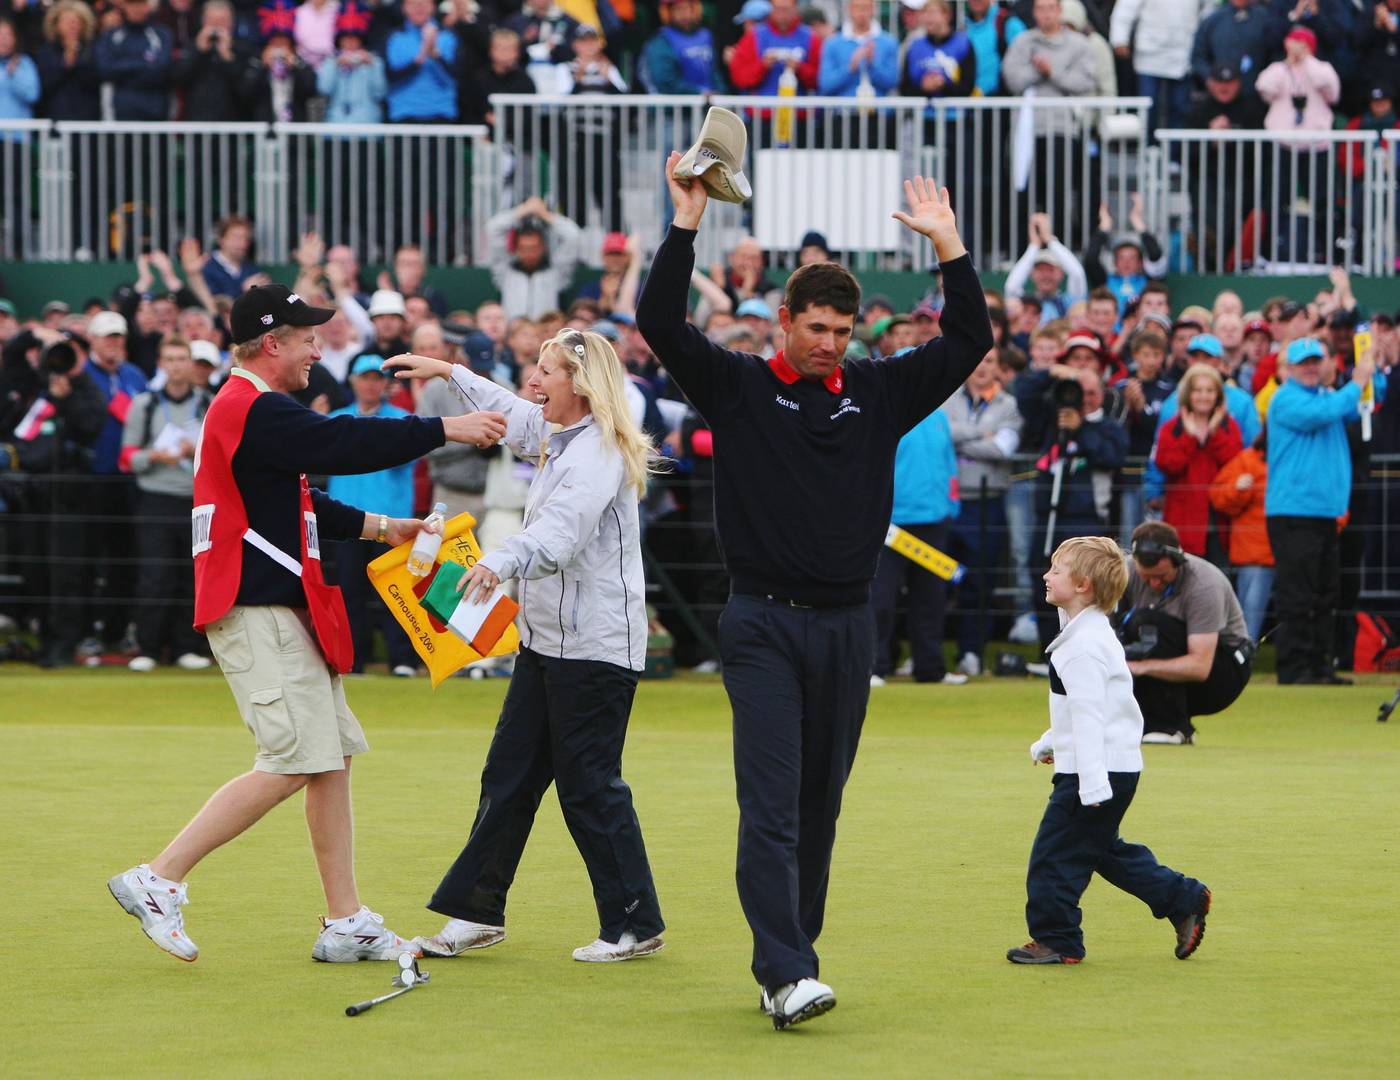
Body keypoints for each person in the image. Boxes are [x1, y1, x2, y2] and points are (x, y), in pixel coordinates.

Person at [637, 160, 992, 1028]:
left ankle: (789, 962)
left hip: (847, 627)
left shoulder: (879, 390)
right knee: (770, 808)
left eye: (841, 329)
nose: (829, 342)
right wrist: (686, 222)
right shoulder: (740, 385)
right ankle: (788, 968)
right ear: (784, 322)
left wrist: (950, 248)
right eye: (816, 328)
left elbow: (969, 340)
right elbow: (659, 322)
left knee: (818, 808)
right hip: (760, 625)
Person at [107, 284, 505, 964]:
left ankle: (345, 920)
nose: (317, 350)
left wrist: (385, 527)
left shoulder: (248, 408)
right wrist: (444, 428)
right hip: (258, 609)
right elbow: (340, 442)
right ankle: (159, 877)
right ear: (272, 343)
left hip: (277, 608)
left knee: (330, 760)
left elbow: (299, 500)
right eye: (307, 338)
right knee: (296, 760)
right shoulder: (252, 406)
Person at [386, 330, 667, 965]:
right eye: (535, 367)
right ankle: (476, 912)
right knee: (508, 777)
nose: (533, 381)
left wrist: (498, 562)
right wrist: (449, 371)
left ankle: (635, 924)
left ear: (580, 385)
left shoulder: (596, 453)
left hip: (595, 647)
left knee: (589, 785)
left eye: (546, 371)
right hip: (548, 644)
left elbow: (561, 535)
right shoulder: (558, 433)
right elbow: (510, 412)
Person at [1009, 536, 1211, 965]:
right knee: (1100, 849)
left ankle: (1058, 939)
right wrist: (1051, 743)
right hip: (1109, 767)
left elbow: (1088, 718)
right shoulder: (1088, 636)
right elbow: (1088, 709)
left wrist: (1091, 784)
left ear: (1082, 585)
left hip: (1094, 772)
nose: (1046, 576)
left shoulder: (1082, 648)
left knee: (1053, 856)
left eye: (1056, 570)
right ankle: (1183, 898)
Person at [1264, 336, 1373, 684]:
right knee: (1298, 593)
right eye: (1304, 363)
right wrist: (1358, 381)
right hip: (1294, 511)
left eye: (1315, 361)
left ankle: (1319, 667)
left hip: (1323, 512)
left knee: (1325, 593)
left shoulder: (1328, 396)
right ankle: (1294, 667)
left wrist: (1374, 366)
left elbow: (1365, 402)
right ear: (1290, 368)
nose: (1311, 368)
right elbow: (1327, 412)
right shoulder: (1286, 399)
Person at [119, 334, 212, 672]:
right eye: (170, 359)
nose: (176, 366)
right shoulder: (144, 404)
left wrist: (195, 451)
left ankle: (186, 647)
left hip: (196, 502)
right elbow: (126, 456)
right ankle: (148, 648)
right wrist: (154, 456)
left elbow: (224, 454)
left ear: (191, 364)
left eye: (181, 359)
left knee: (192, 576)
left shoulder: (208, 403)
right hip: (155, 499)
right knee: (154, 576)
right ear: (161, 364)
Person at [325, 355, 421, 677]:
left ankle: (403, 659)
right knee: (349, 592)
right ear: (353, 382)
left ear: (385, 385)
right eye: (364, 378)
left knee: (396, 592)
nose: (370, 384)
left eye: (376, 378)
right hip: (348, 521)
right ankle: (353, 659)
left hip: (392, 520)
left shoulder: (402, 420)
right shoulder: (337, 420)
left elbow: (402, 458)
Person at [1120, 520, 1254, 744]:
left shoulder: (1204, 585)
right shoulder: (1126, 571)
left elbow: (1200, 667)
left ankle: (1171, 727)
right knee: (1132, 630)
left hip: (1222, 671)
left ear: (1178, 561)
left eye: (1162, 576)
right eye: (1147, 577)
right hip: (1171, 659)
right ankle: (1140, 724)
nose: (1154, 584)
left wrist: (1137, 668)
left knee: (1148, 624)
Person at [871, 398, 962, 686]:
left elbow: (949, 462)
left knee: (931, 600)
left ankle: (930, 668)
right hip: (890, 523)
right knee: (881, 599)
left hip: (933, 520)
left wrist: (951, 505)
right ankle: (874, 667)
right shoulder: (885, 411)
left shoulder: (939, 416)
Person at [943, 349, 1024, 674]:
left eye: (989, 361)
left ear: (998, 367)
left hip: (987, 504)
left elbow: (1002, 449)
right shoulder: (946, 398)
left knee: (979, 583)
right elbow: (942, 434)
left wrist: (959, 440)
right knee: (936, 581)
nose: (981, 367)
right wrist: (980, 434)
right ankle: (927, 655)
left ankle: (971, 652)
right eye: (976, 360)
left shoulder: (1008, 405)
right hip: (948, 503)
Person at [1154, 362, 1243, 559]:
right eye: (1198, 390)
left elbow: (1234, 463)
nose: (1204, 396)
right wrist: (1190, 437)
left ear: (1218, 394)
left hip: (1219, 520)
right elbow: (1168, 464)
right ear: (1188, 394)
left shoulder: (1229, 427)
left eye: (1209, 390)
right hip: (1183, 521)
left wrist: (1213, 433)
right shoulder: (1172, 428)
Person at [1209, 431, 1273, 642]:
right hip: (1255, 553)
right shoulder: (1247, 460)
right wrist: (1237, 489)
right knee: (1249, 611)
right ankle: (1242, 651)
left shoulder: (1297, 458)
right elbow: (1218, 496)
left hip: (1293, 548)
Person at [486, 196, 583, 319]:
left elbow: (573, 236)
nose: (529, 253)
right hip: (513, 330)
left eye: (534, 248)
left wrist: (545, 215)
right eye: (524, 248)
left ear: (543, 248)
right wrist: (524, 210)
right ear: (516, 249)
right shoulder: (505, 271)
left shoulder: (556, 271)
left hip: (546, 330)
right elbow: (493, 229)